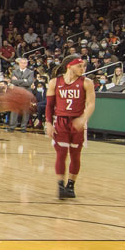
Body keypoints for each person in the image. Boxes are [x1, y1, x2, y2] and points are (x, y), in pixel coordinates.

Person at [50, 55, 96, 199]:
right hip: (61, 120)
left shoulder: (87, 82)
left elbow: (91, 104)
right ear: (70, 66)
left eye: (84, 66)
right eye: (80, 66)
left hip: (78, 121)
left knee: (75, 155)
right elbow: (50, 105)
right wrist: (48, 123)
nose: (83, 69)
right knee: (61, 154)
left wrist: (83, 119)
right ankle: (60, 184)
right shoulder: (55, 82)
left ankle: (70, 185)